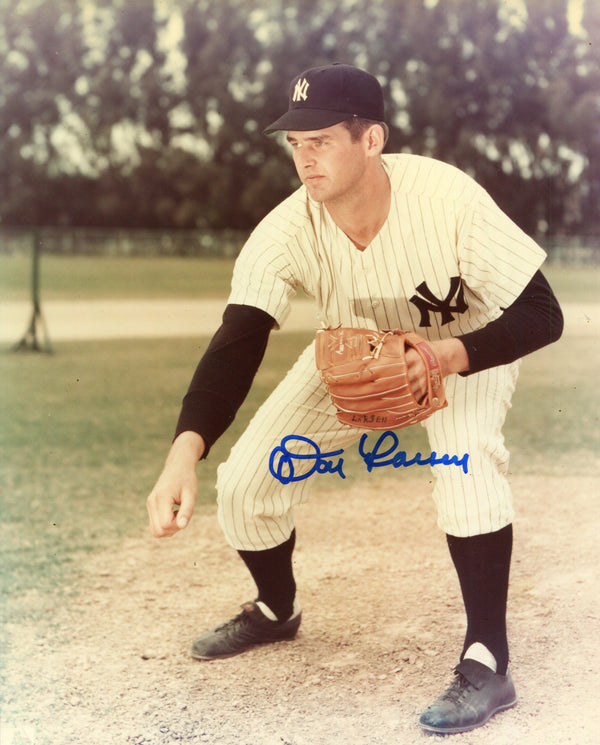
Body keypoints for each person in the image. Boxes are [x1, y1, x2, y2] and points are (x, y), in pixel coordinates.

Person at [147, 63, 563, 734]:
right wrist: (181, 454)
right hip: (354, 351)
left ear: (372, 140)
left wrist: (444, 355)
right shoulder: (287, 229)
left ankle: (488, 660)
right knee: (247, 481)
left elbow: (544, 313)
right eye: (295, 143)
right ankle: (277, 609)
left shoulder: (448, 198)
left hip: (467, 346)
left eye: (321, 139)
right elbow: (237, 343)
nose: (304, 157)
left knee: (466, 465)